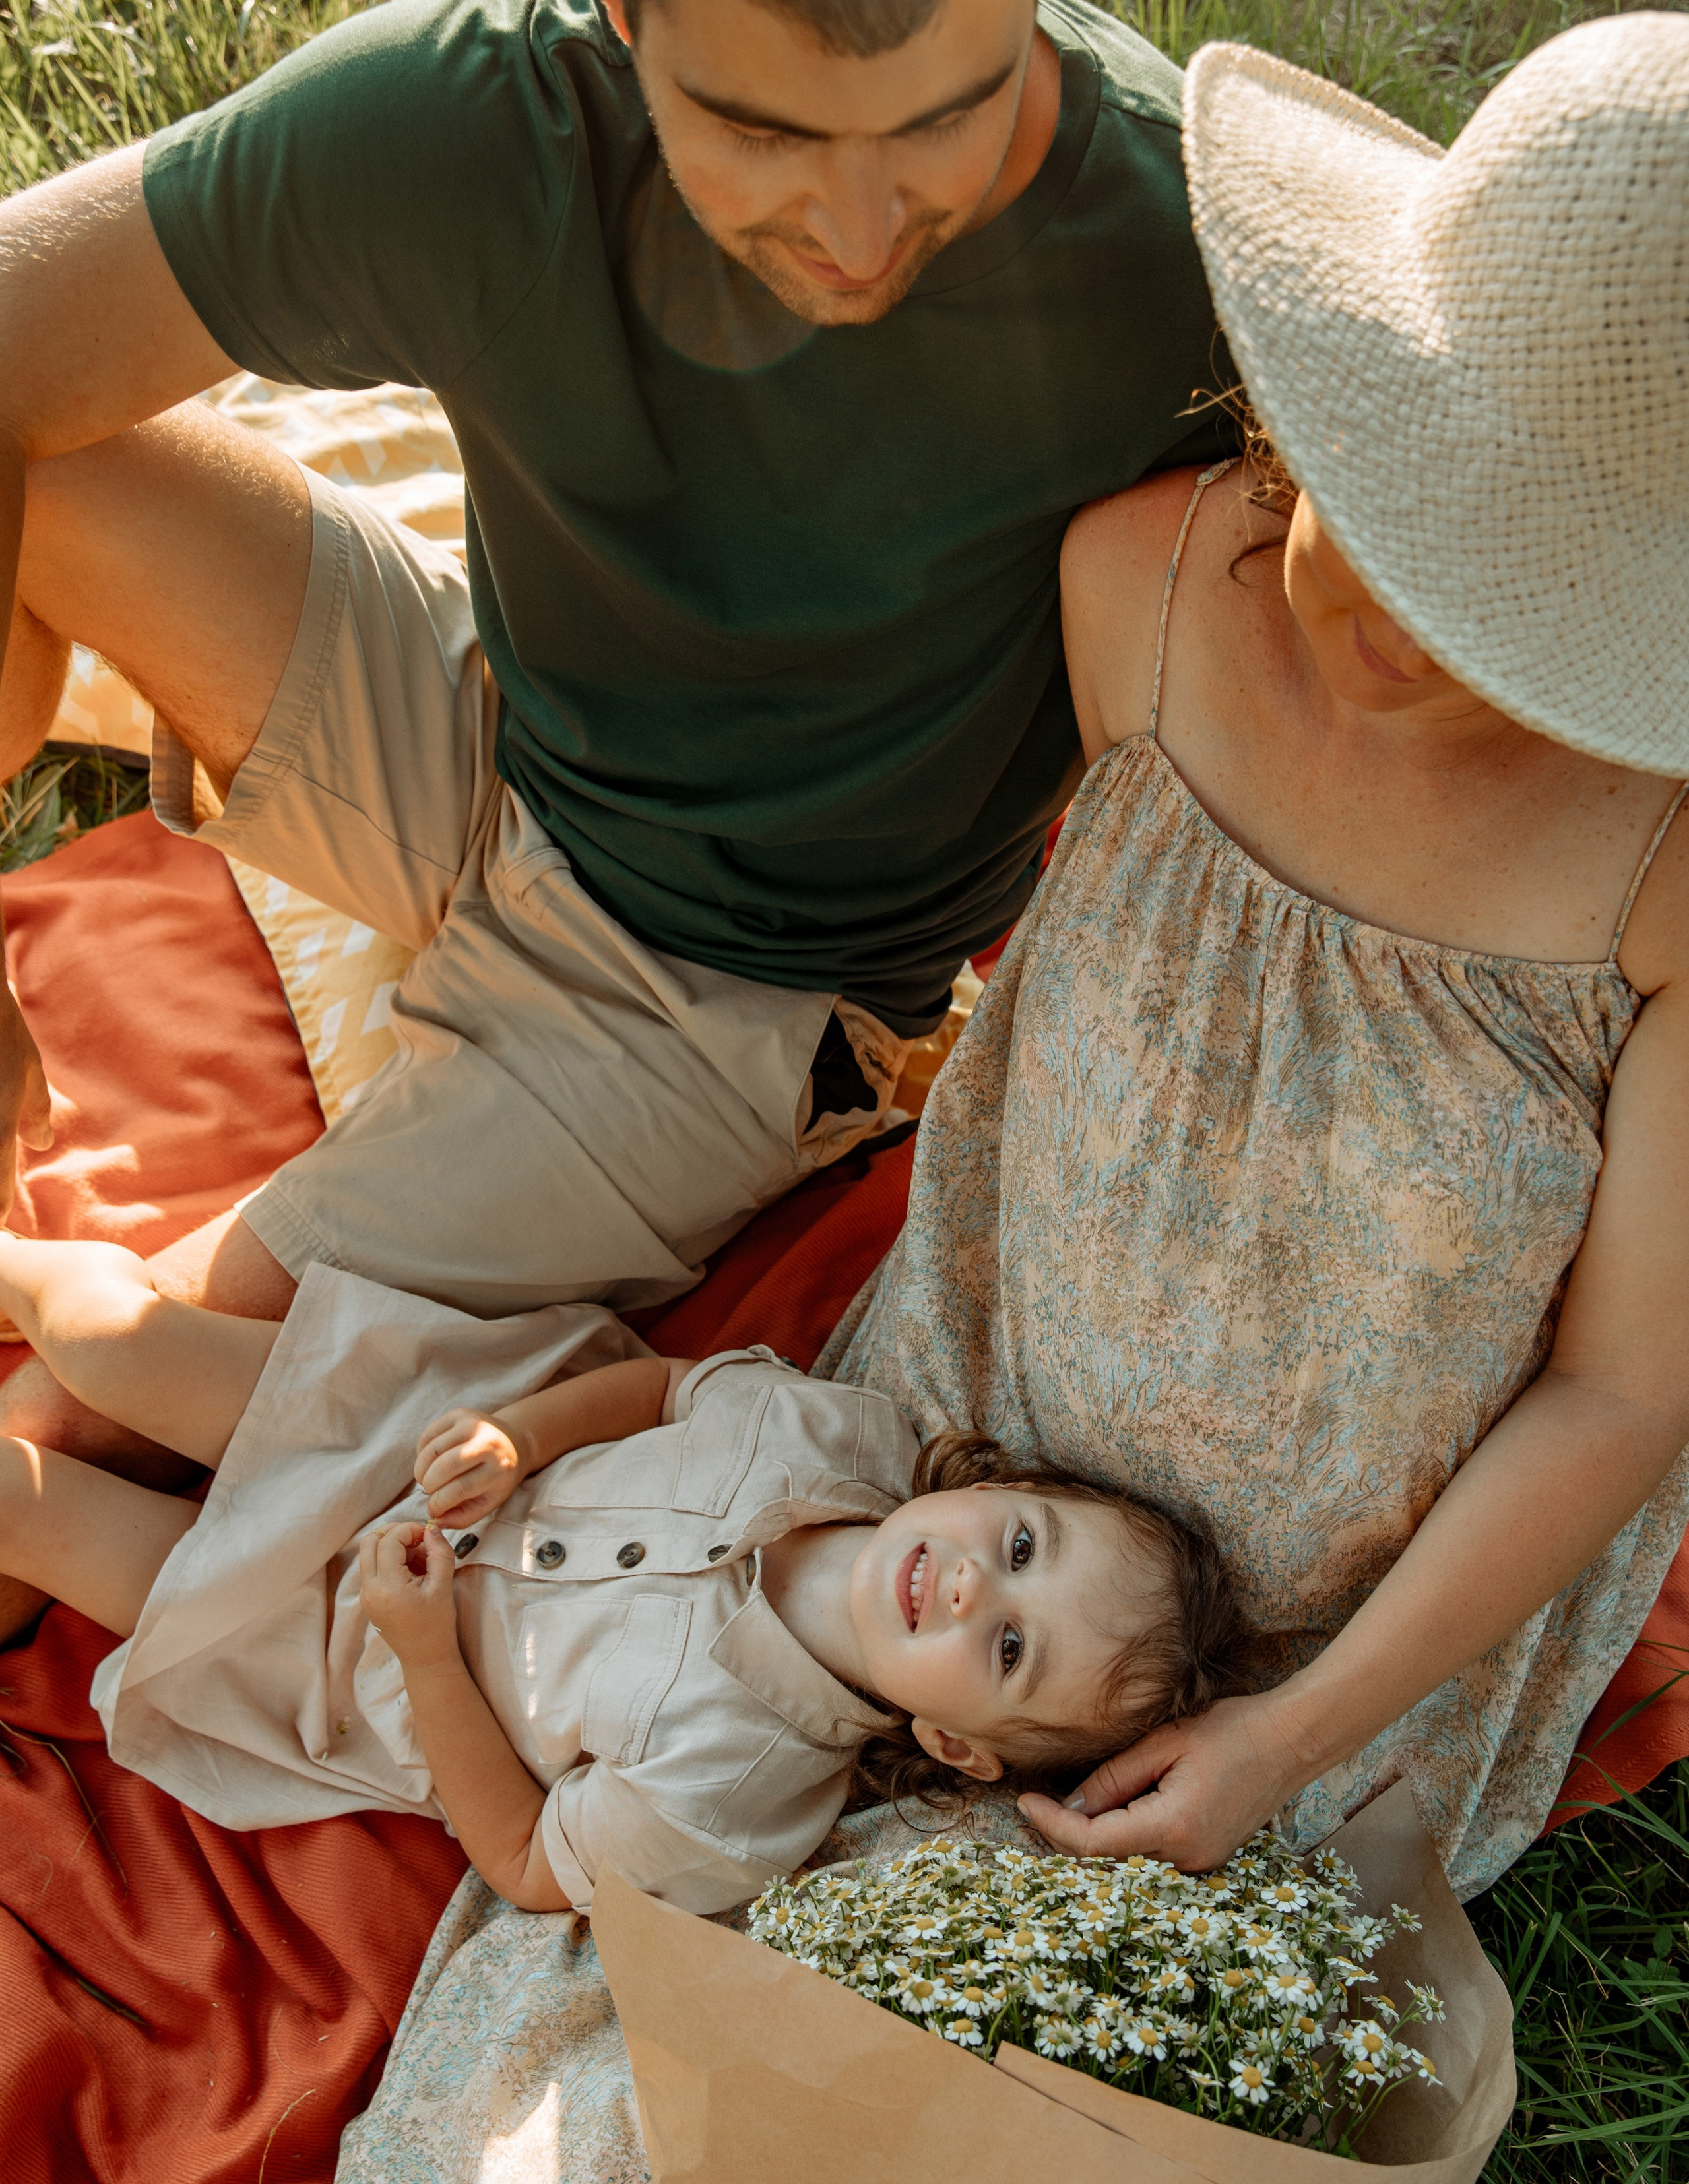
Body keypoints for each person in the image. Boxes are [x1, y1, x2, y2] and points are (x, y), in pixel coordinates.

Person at [0, 0, 1232, 1639]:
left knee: (89, 1417)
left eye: (944, 120)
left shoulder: (1179, 247)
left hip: (724, 999)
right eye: (764, 134)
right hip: (497, 730)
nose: (861, 231)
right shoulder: (476, 121)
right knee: (53, 455)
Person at [825, 11, 1689, 1900]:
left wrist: (1283, 1732)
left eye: (1521, 591)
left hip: (1351, 1649)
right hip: (963, 1494)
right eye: (1406, 504)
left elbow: (1628, 1392)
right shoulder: (1129, 592)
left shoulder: (1664, 868)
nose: (1413, 624)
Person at [0, 1230, 1243, 1914]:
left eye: (1010, 1647)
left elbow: (529, 1859)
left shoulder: (738, 1800)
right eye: (1020, 1545)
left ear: (959, 1746)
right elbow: (661, 1390)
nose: (976, 1587)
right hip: (407, 1441)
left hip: (341, 1650)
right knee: (106, 1335)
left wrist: (426, 1653)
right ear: (999, 1485)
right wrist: (515, 1438)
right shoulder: (843, 1434)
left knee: (25, 1507)